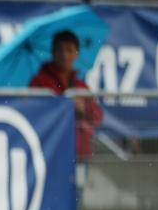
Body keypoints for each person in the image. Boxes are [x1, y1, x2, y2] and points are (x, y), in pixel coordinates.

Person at [28, 29, 103, 159]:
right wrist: (63, 107)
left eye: (69, 50)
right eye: (60, 50)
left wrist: (84, 109)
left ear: (76, 53)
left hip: (79, 153)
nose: (64, 55)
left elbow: (97, 117)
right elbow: (32, 113)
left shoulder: (81, 86)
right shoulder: (39, 82)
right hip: (49, 152)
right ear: (53, 52)